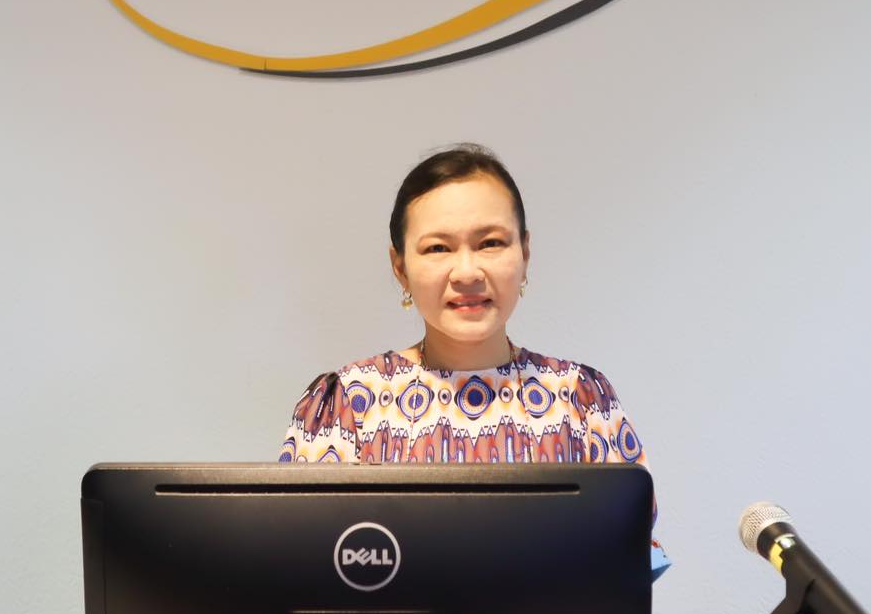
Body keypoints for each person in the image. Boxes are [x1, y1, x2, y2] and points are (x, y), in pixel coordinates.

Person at [279, 143, 669, 576]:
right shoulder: (348, 401)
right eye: (438, 248)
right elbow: (305, 568)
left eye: (490, 243)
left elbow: (628, 566)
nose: (467, 273)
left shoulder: (581, 399)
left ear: (525, 253)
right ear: (400, 267)